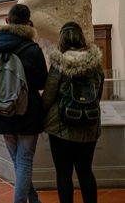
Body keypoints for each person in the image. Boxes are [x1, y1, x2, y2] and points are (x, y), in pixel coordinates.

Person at [0, 4, 47, 203]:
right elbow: (42, 81)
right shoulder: (32, 49)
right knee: (24, 160)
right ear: (28, 22)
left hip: (0, 111)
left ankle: (32, 199)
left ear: (7, 21)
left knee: (17, 159)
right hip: (27, 112)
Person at [42, 22, 104, 203]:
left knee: (63, 174)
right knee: (85, 171)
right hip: (89, 126)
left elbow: (49, 94)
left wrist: (41, 115)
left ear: (61, 40)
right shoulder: (95, 63)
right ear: (81, 38)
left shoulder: (59, 63)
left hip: (62, 127)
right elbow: (98, 92)